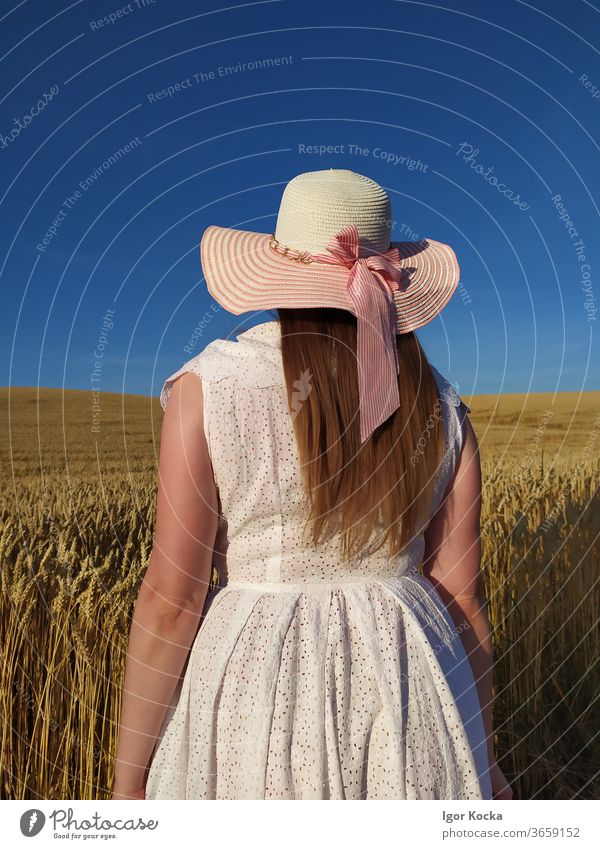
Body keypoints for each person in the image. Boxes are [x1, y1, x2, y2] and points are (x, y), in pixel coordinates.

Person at [112, 169, 513, 800]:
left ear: (277, 274)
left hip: (253, 686)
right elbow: (462, 598)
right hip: (413, 689)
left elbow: (172, 601)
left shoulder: (209, 389)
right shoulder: (441, 407)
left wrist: (128, 782)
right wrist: (483, 756)